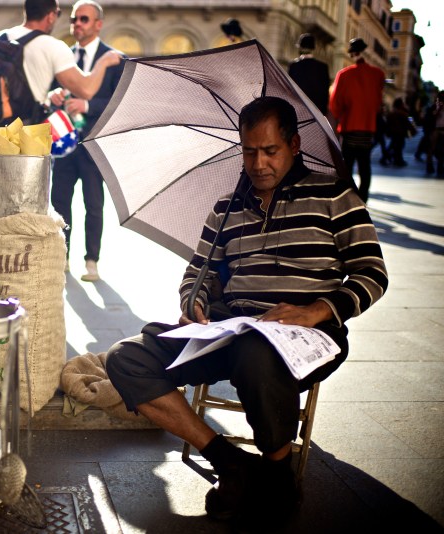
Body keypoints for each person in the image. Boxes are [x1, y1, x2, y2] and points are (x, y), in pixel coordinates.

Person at [106, 96, 388, 528]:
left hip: (310, 334)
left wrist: (318, 310)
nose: (258, 163)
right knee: (127, 357)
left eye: (269, 150)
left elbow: (372, 272)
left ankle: (277, 472)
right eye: (249, 150)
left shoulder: (335, 195)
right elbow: (196, 274)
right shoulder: (226, 209)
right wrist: (194, 302)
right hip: (232, 329)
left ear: (294, 144)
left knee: (256, 354)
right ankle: (230, 462)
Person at [0, 0, 123, 222]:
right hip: (27, 143)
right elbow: (86, 89)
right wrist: (103, 63)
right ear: (51, 16)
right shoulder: (53, 47)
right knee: (21, 213)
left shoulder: (1, 38)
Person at [49, 0, 124, 282]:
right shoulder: (63, 57)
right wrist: (53, 96)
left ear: (98, 24)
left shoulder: (115, 58)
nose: (76, 24)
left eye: (83, 19)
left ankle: (91, 261)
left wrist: (88, 106)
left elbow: (120, 103)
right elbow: (47, 95)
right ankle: (62, 256)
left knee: (94, 205)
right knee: (60, 203)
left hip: (94, 145)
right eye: (73, 19)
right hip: (65, 145)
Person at [329, 37, 385, 203]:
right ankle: (363, 198)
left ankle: (349, 196)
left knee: (347, 166)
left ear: (352, 54)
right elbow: (377, 102)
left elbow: (335, 103)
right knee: (365, 165)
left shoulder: (344, 75)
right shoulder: (378, 74)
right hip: (367, 127)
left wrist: (339, 114)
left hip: (349, 126)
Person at [287, 33, 330, 116]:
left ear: (300, 47)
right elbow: (325, 93)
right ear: (313, 48)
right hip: (316, 111)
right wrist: (323, 112)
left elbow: (289, 89)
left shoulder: (293, 66)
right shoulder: (323, 67)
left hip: (297, 110)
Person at [385, 97, 415, 167]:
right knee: (398, 146)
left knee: (394, 145)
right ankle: (397, 160)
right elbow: (408, 122)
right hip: (400, 132)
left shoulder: (392, 112)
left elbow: (388, 123)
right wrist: (412, 130)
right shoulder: (402, 113)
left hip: (395, 132)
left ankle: (390, 157)